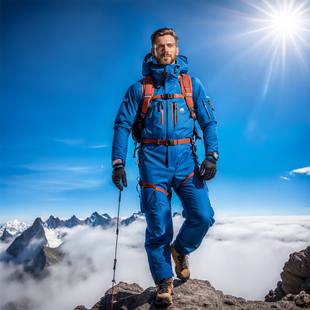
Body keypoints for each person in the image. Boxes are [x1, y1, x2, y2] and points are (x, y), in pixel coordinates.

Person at [112, 28, 218, 306]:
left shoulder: (191, 85)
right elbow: (122, 124)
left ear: (176, 48)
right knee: (158, 223)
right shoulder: (140, 88)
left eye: (169, 45)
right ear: (153, 51)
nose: (165, 50)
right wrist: (118, 162)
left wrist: (212, 156)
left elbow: (208, 122)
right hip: (152, 161)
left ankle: (180, 249)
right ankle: (164, 282)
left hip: (186, 160)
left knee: (203, 215)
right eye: (160, 46)